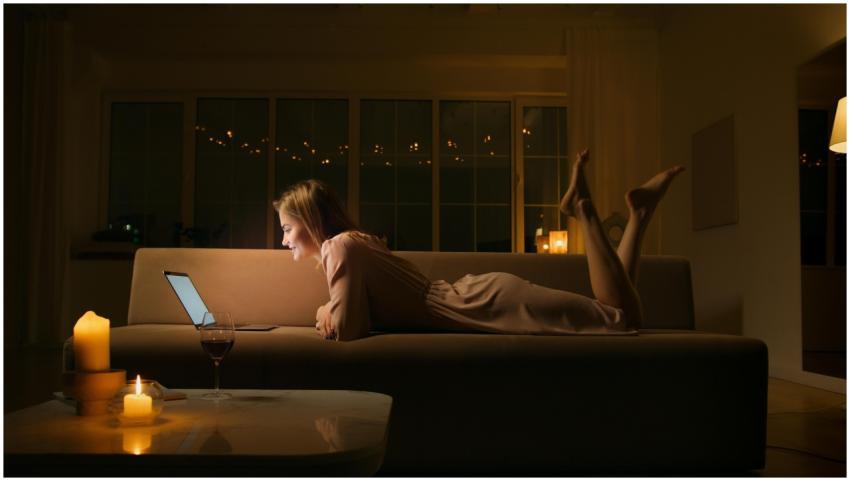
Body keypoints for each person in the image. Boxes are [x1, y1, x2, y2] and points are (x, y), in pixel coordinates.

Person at [273, 149, 684, 341]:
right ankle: (640, 216)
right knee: (621, 316)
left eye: (289, 229)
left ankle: (583, 209)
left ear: (311, 224)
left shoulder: (339, 249)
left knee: (622, 320)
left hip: (479, 303)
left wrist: (323, 311)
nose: (284, 239)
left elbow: (347, 329)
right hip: (475, 298)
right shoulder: (351, 243)